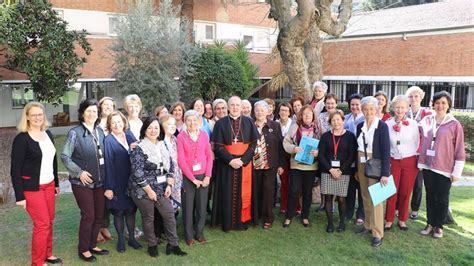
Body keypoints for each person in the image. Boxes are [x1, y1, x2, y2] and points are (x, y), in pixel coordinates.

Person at [11, 102, 62, 266]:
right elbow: (15, 169)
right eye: (33, 115)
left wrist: (56, 182)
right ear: (27, 117)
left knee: (50, 220)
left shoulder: (48, 133)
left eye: (40, 114)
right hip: (32, 188)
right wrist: (19, 196)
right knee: (42, 224)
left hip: (49, 184)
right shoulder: (22, 139)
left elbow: (53, 160)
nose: (37, 118)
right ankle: (37, 262)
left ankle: (48, 254)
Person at [128, 116, 187, 257]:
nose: (153, 130)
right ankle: (152, 245)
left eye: (156, 127)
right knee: (149, 217)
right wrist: (149, 191)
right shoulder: (139, 148)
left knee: (169, 214)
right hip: (141, 189)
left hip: (161, 187)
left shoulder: (162, 145)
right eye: (150, 128)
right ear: (145, 130)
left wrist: (169, 184)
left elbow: (171, 165)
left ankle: (173, 245)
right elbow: (137, 173)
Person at [61, 98, 109, 262]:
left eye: (94, 111)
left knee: (98, 216)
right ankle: (83, 249)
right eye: (88, 110)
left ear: (98, 114)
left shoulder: (100, 132)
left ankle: (92, 244)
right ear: (82, 113)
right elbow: (65, 157)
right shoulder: (75, 133)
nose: (91, 113)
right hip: (82, 183)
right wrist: (79, 172)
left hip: (100, 182)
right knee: (88, 215)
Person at [418, 91, 465, 238]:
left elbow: (459, 148)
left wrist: (457, 171)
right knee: (430, 196)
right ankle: (430, 223)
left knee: (442, 198)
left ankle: (439, 226)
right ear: (433, 104)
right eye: (437, 102)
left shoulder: (454, 124)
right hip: (428, 165)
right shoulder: (426, 120)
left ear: (448, 105)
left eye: (443, 103)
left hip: (445, 168)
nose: (440, 105)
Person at [211, 96, 259, 231]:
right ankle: (227, 222)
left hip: (245, 164)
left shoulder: (249, 122)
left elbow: (253, 144)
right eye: (232, 105)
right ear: (228, 107)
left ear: (241, 107)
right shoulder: (221, 123)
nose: (235, 108)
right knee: (226, 193)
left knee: (244, 193)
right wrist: (231, 160)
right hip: (227, 165)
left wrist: (243, 160)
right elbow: (218, 147)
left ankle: (242, 221)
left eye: (237, 105)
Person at [103, 111, 142, 253]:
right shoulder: (108, 140)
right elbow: (108, 163)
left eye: (119, 122)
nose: (117, 125)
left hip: (131, 181)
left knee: (131, 210)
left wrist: (133, 149)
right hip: (116, 182)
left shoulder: (130, 135)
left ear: (124, 122)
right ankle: (120, 240)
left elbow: (138, 155)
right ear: (109, 125)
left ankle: (132, 238)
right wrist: (109, 187)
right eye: (113, 123)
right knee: (119, 212)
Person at [355, 96, 390, 247]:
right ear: (362, 110)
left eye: (371, 109)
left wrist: (385, 173)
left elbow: (386, 151)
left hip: (376, 162)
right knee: (365, 196)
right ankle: (368, 226)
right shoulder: (359, 126)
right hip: (361, 161)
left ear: (376, 110)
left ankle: (378, 233)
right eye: (365, 109)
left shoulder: (382, 126)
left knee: (377, 198)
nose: (368, 112)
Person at [177, 110, 213, 245]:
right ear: (185, 122)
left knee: (202, 206)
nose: (192, 123)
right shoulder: (181, 137)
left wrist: (208, 176)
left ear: (199, 121)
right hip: (188, 178)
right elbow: (181, 160)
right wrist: (193, 179)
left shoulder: (204, 135)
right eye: (189, 120)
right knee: (188, 207)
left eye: (194, 120)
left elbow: (209, 156)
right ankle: (188, 235)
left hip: (203, 176)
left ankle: (199, 233)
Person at [282, 105, 321, 228]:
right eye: (304, 114)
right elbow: (285, 142)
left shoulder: (318, 129)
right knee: (293, 191)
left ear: (313, 116)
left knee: (307, 192)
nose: (307, 116)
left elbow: (325, 145)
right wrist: (294, 148)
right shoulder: (294, 127)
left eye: (309, 114)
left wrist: (318, 152)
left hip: (311, 166)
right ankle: (289, 216)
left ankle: (305, 216)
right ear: (301, 116)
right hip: (296, 165)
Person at [384, 95, 420, 231]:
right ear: (393, 108)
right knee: (391, 191)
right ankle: (389, 219)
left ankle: (402, 219)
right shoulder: (387, 124)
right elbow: (386, 144)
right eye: (397, 107)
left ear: (407, 108)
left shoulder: (413, 124)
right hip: (393, 160)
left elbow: (417, 142)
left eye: (402, 107)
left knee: (405, 191)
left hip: (409, 161)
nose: (399, 110)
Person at [318, 110, 357, 233]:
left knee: (341, 199)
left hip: (343, 172)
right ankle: (330, 223)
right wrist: (330, 169)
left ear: (343, 121)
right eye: (333, 120)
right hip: (327, 171)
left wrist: (340, 170)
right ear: (330, 122)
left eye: (338, 119)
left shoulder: (350, 136)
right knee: (328, 198)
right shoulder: (325, 136)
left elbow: (352, 155)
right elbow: (321, 155)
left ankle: (341, 222)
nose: (336, 122)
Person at [253, 101, 284, 229]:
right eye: (257, 110)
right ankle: (257, 215)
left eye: (262, 110)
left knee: (268, 191)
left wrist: (281, 165)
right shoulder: (250, 125)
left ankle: (268, 217)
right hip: (254, 165)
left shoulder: (275, 126)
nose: (259, 112)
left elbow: (280, 146)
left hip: (270, 164)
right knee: (256, 191)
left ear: (267, 112)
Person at [405, 86, 431, 220]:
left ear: (421, 98)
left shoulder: (427, 113)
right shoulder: (404, 112)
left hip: (420, 154)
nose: (413, 99)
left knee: (417, 184)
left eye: (416, 96)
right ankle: (400, 207)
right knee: (403, 182)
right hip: (406, 152)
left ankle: (415, 209)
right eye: (411, 96)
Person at [343, 93, 365, 225]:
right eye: (352, 105)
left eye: (357, 104)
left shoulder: (366, 119)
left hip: (361, 158)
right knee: (350, 187)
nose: (355, 107)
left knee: (362, 188)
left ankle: (361, 214)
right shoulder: (345, 119)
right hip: (348, 158)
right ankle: (348, 211)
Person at [97, 96, 116, 243]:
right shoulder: (95, 123)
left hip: (113, 164)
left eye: (111, 105)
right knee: (99, 199)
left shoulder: (114, 122)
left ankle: (104, 226)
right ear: (100, 106)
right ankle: (97, 229)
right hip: (99, 165)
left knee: (109, 198)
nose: (108, 107)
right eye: (105, 104)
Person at [275, 102, 293, 214]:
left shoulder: (294, 124)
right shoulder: (274, 124)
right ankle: (283, 206)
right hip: (281, 158)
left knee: (294, 183)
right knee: (284, 182)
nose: (284, 112)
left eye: (286, 110)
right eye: (282, 110)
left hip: (292, 156)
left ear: (289, 112)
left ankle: (296, 206)